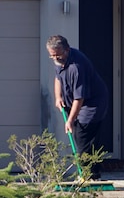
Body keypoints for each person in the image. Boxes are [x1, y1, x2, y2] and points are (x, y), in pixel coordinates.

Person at [45, 35, 110, 179]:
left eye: (58, 55)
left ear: (67, 50)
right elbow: (58, 77)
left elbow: (79, 98)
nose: (55, 58)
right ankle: (93, 173)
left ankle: (88, 176)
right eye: (52, 56)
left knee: (83, 138)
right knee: (84, 138)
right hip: (77, 102)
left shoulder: (77, 67)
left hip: (92, 104)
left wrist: (70, 120)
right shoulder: (59, 59)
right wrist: (58, 97)